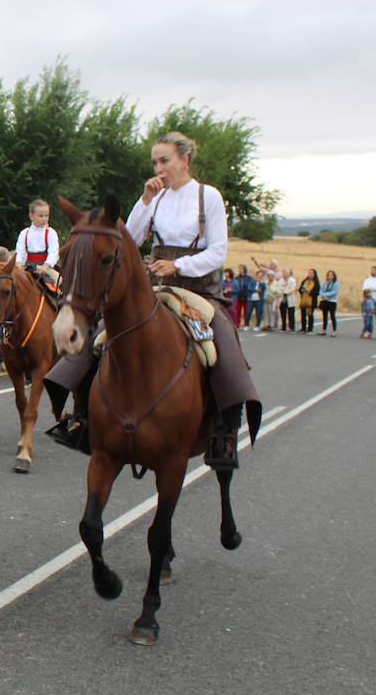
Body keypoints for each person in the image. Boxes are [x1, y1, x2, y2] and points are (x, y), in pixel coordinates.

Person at [52, 130, 261, 466]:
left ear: (184, 159)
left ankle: (224, 431)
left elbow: (218, 251)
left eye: (164, 160)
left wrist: (178, 264)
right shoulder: (156, 198)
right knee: (101, 335)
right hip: (154, 286)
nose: (159, 167)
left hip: (198, 288)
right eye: (155, 162)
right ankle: (82, 418)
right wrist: (145, 201)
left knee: (223, 339)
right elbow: (128, 238)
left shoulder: (208, 196)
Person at [14, 199, 60, 288]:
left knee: (59, 280)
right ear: (31, 216)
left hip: (45, 267)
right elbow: (20, 251)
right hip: (28, 267)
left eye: (47, 216)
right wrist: (18, 263)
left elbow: (54, 252)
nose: (44, 219)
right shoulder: (25, 233)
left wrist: (46, 266)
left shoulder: (51, 233)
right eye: (41, 216)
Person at [318, 270, 339, 336]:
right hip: (325, 300)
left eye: (331, 275)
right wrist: (324, 296)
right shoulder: (324, 283)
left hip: (332, 301)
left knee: (332, 316)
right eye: (329, 275)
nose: (330, 276)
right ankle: (324, 330)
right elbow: (320, 291)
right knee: (324, 316)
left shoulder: (336, 283)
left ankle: (334, 330)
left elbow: (334, 292)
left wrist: (326, 295)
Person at [231, 264, 253, 329]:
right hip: (239, 296)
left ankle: (246, 324)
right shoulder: (236, 278)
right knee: (238, 311)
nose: (239, 270)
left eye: (240, 268)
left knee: (246, 311)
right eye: (239, 268)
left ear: (244, 269)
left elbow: (250, 286)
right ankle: (237, 324)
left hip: (246, 297)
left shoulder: (249, 278)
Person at [298, 269, 319, 333]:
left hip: (311, 301)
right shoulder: (305, 281)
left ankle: (310, 329)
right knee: (303, 314)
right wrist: (302, 290)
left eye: (312, 273)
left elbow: (316, 292)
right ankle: (303, 328)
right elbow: (300, 289)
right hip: (304, 300)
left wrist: (309, 291)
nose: (310, 274)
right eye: (309, 273)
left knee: (310, 315)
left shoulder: (316, 282)